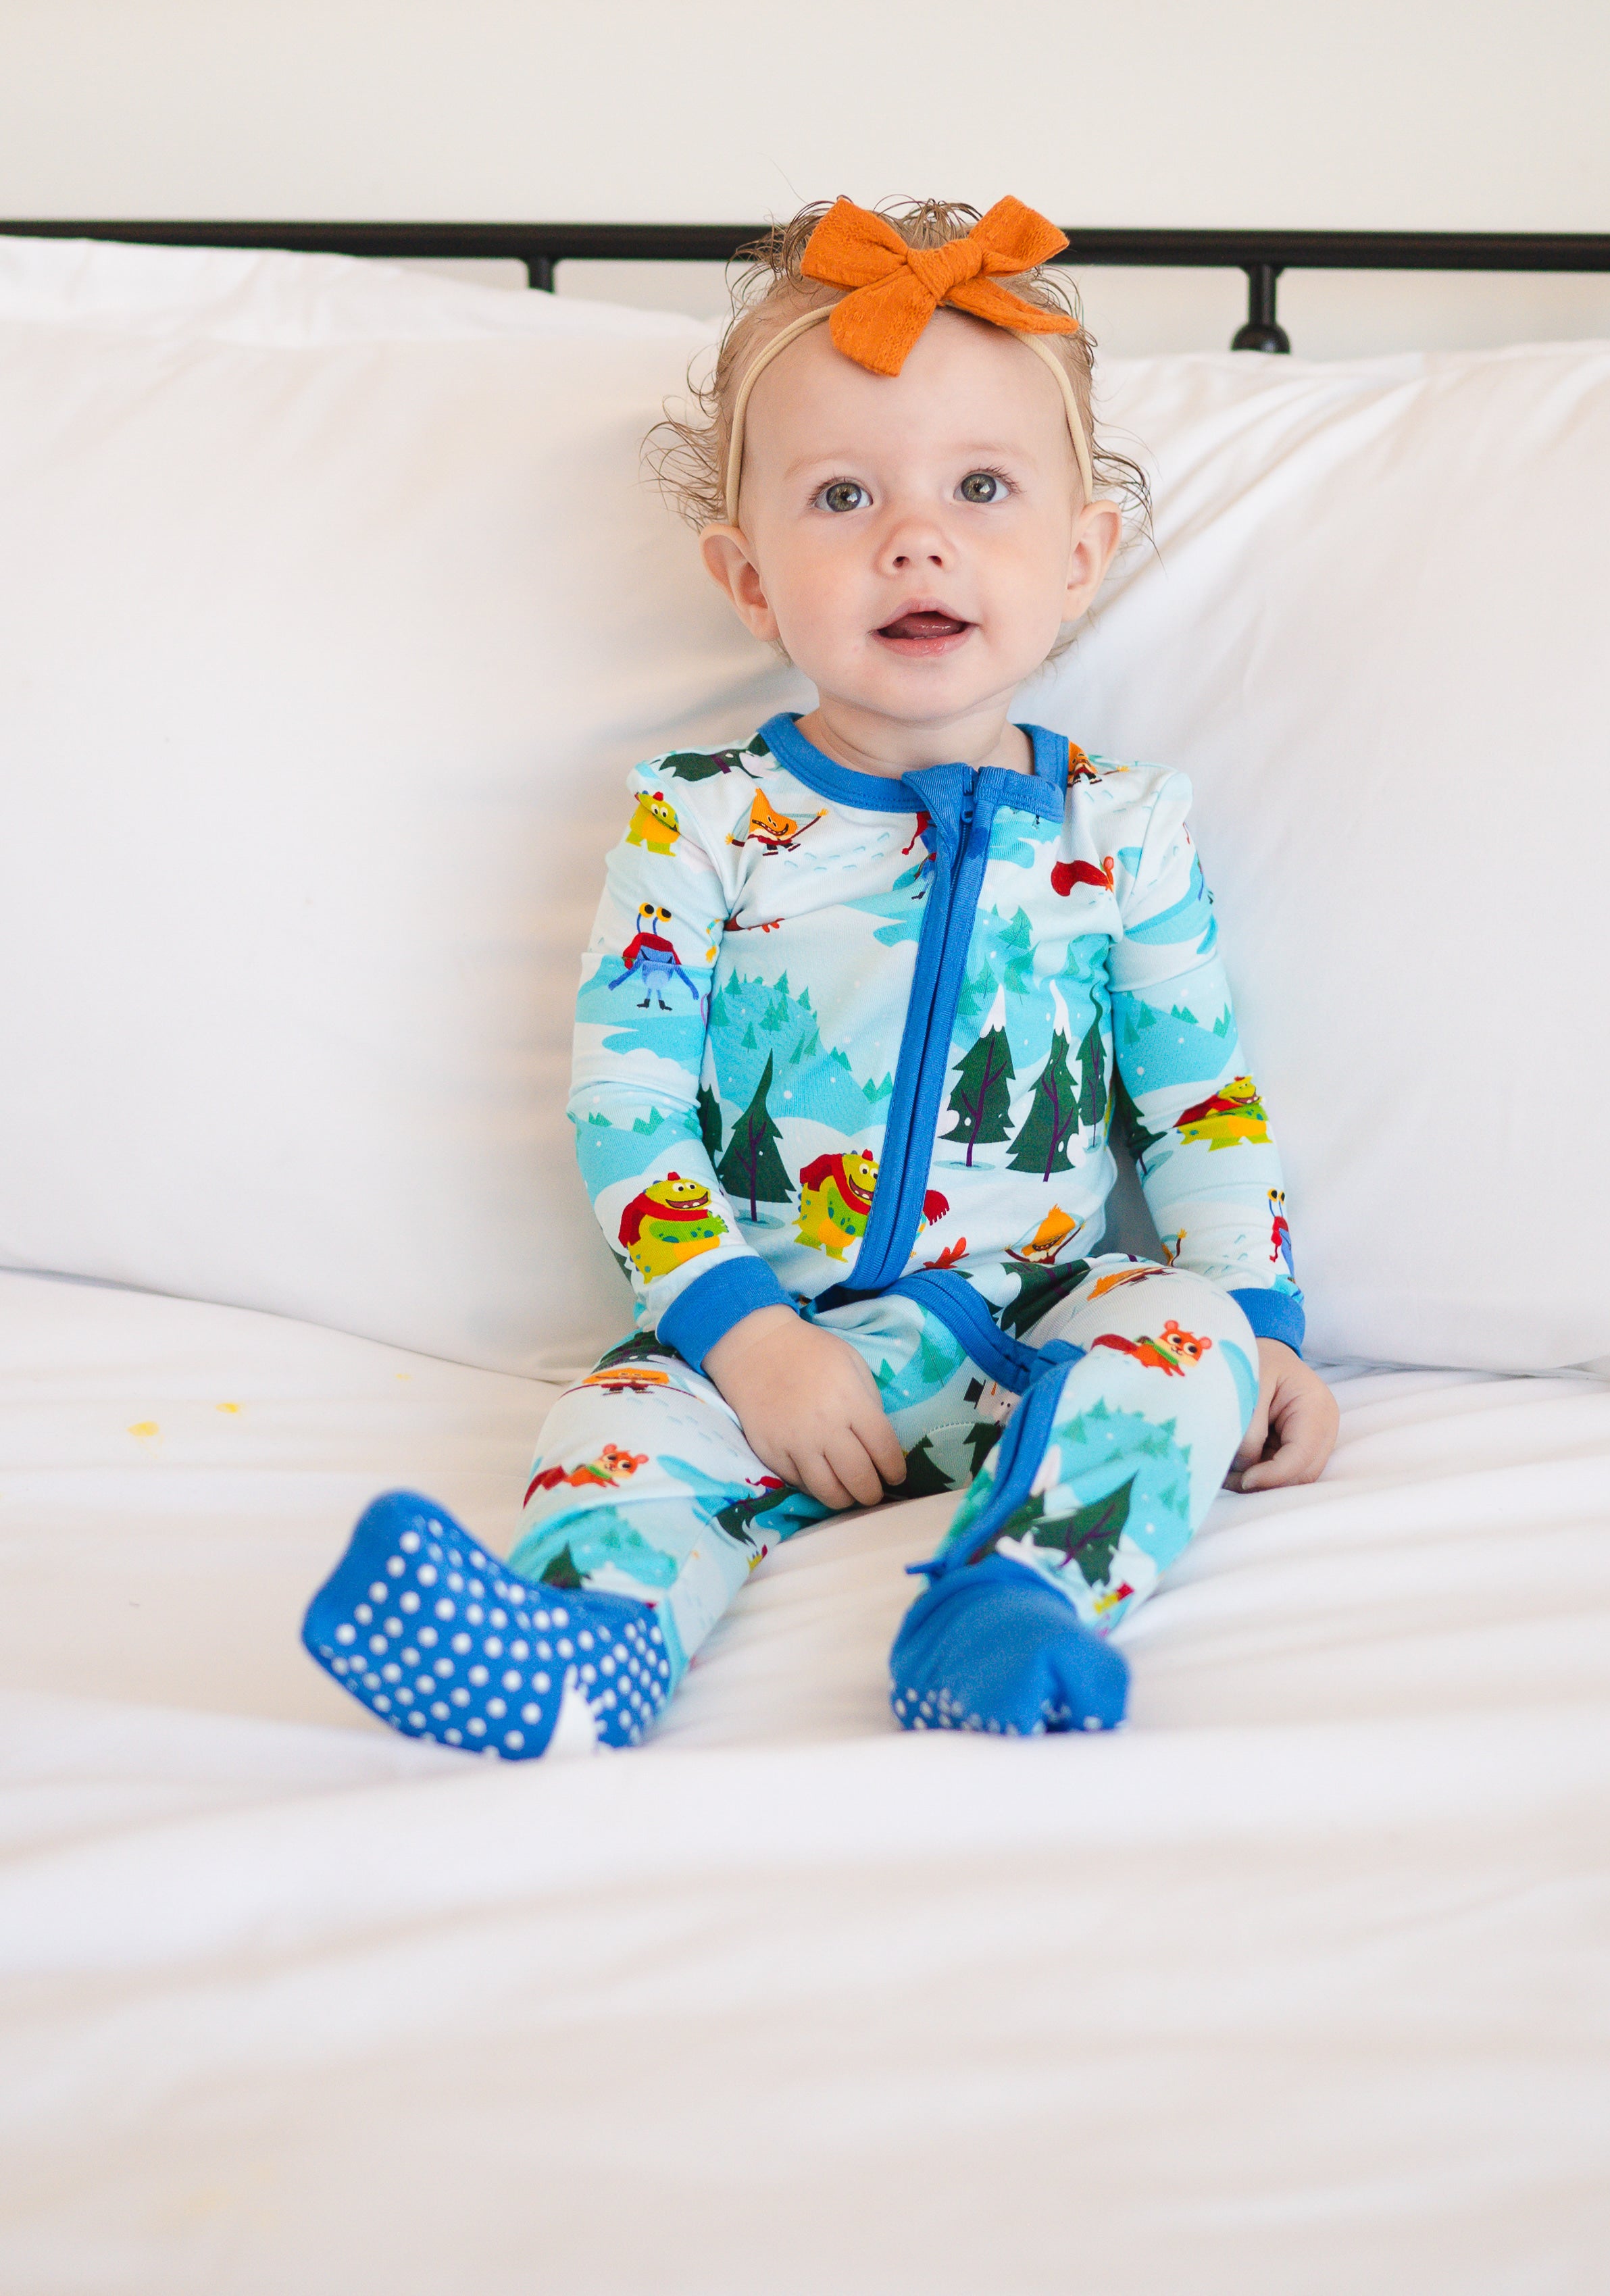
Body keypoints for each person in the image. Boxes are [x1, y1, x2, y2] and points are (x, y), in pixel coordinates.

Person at [302, 195, 1338, 1754]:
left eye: (980, 486)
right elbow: (628, 1092)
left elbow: (1198, 1099)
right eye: (842, 493)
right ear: (749, 577)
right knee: (612, 1428)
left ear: (1080, 556)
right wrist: (737, 1332)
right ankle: (584, 1651)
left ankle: (1009, 1603)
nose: (915, 536)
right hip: (759, 1335)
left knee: (1184, 1344)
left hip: (1025, 1321)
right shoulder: (702, 819)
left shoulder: (1124, 826)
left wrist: (1265, 1320)